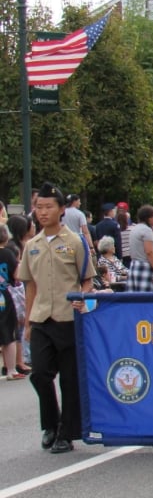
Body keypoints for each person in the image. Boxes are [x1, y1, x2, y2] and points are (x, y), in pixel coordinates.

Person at [19, 183, 95, 453]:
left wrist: (80, 298)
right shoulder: (32, 246)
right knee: (39, 374)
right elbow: (30, 285)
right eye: (39, 207)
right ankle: (50, 423)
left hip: (68, 318)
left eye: (49, 207)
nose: (43, 212)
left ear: (62, 210)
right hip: (42, 318)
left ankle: (67, 432)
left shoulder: (74, 242)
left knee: (70, 379)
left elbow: (87, 280)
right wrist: (27, 322)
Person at [0, 224, 26, 380]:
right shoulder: (8, 254)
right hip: (3, 295)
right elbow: (17, 275)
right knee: (8, 331)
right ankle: (11, 370)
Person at [125, 205, 153, 292]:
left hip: (134, 266)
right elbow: (149, 251)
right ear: (148, 218)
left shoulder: (134, 228)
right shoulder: (146, 230)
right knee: (148, 300)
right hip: (144, 267)